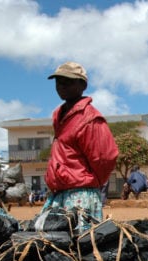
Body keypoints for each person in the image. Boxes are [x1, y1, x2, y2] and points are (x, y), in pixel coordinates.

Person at [42, 61, 118, 229]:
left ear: (82, 85)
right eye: (58, 81)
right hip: (59, 194)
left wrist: (89, 180)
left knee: (79, 247)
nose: (61, 85)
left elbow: (105, 157)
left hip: (80, 196)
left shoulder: (90, 118)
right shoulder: (59, 116)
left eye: (68, 81)